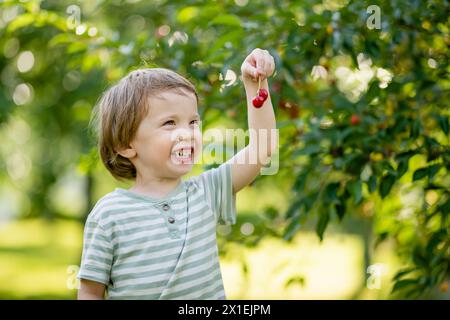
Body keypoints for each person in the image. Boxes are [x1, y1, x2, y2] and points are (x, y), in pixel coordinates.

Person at [77, 48, 277, 299]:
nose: (187, 133)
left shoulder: (207, 192)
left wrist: (255, 84)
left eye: (193, 122)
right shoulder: (109, 215)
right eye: (169, 123)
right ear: (126, 145)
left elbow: (263, 147)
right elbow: (90, 292)